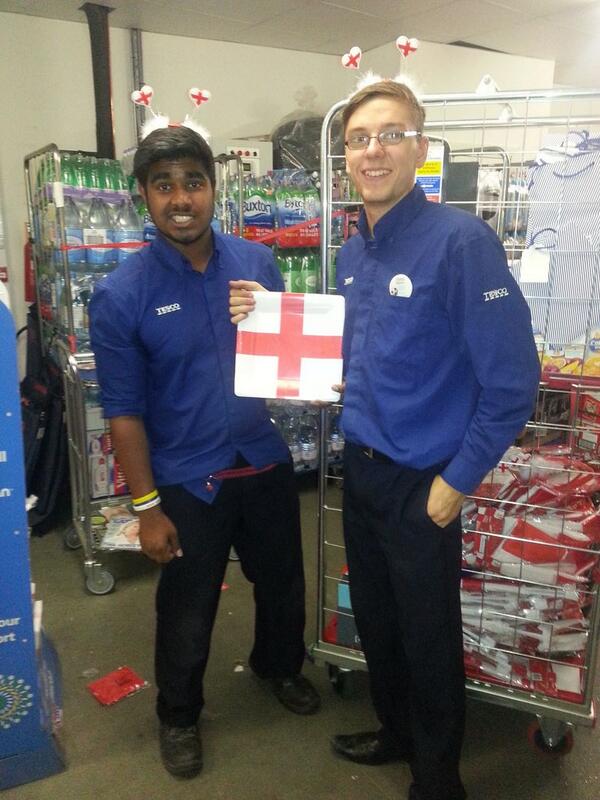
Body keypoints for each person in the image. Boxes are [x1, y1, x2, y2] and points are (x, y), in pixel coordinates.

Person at [230, 81, 540, 800]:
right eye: (361, 138)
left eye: (392, 134)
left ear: (420, 150)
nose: (375, 150)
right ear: (345, 156)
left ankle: (438, 780)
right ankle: (397, 733)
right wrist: (266, 316)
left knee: (428, 639)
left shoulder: (462, 244)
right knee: (379, 623)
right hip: (360, 471)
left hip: (423, 483)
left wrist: (455, 483)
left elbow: (512, 383)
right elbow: (348, 360)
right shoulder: (356, 252)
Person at [89, 125, 320, 781]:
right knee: (188, 611)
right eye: (164, 186)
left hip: (264, 460)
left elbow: (291, 367)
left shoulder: (255, 262)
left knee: (282, 585)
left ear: (213, 189)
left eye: (193, 182)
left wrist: (299, 348)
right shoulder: (121, 295)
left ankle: (278, 667)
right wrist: (147, 509)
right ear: (144, 198)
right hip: (190, 481)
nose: (181, 197)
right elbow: (125, 414)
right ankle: (179, 715)